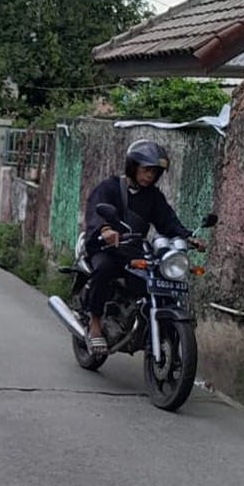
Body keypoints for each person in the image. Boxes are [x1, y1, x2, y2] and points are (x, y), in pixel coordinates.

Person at [83, 139, 203, 353]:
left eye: (154, 172)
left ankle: (142, 322)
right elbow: (95, 211)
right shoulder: (110, 187)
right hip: (106, 248)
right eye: (146, 169)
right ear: (133, 165)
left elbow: (167, 221)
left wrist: (187, 236)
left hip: (132, 250)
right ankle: (95, 323)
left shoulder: (153, 197)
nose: (150, 175)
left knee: (153, 278)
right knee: (104, 269)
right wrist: (105, 230)